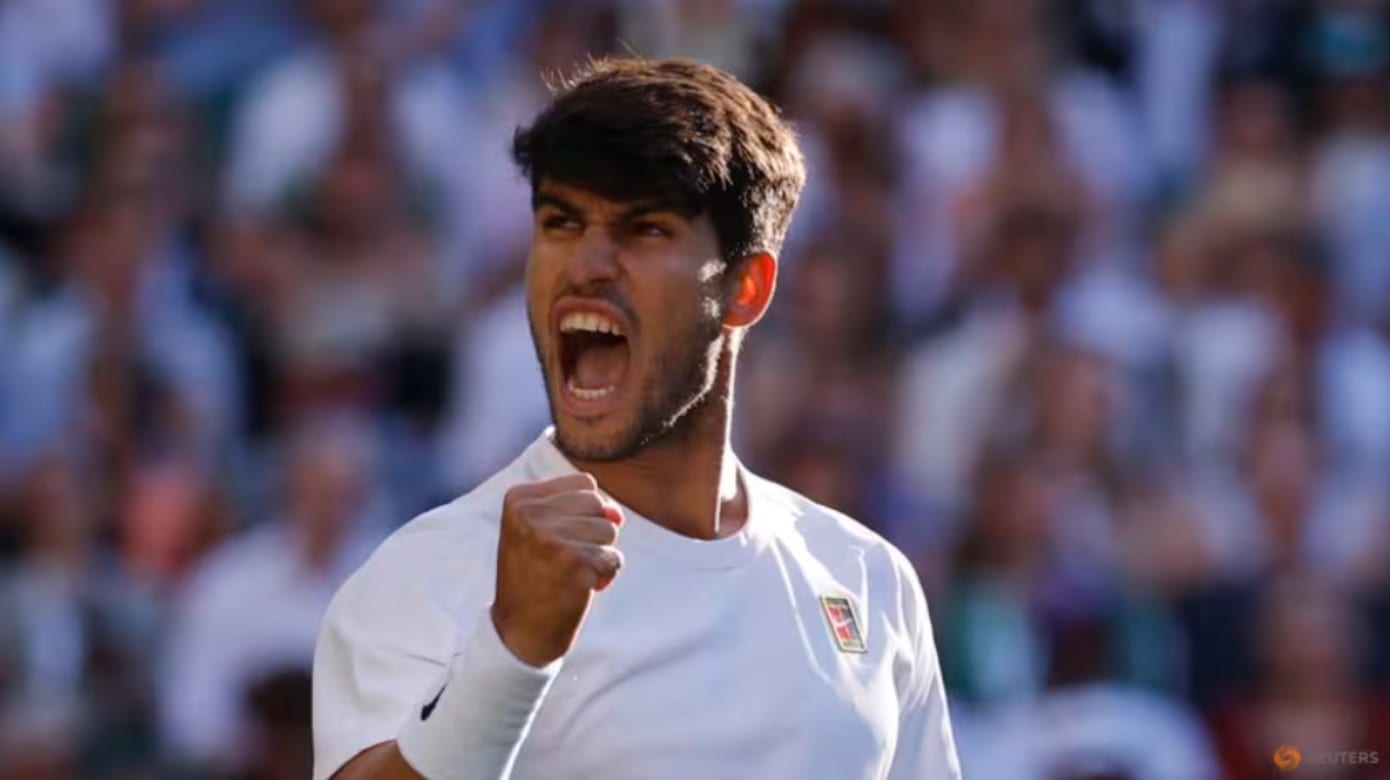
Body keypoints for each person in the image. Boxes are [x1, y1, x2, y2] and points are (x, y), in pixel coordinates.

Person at [311, 57, 961, 780]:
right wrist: (511, 650)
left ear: (746, 288)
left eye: (644, 229)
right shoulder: (426, 577)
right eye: (561, 222)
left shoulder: (868, 579)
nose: (586, 264)